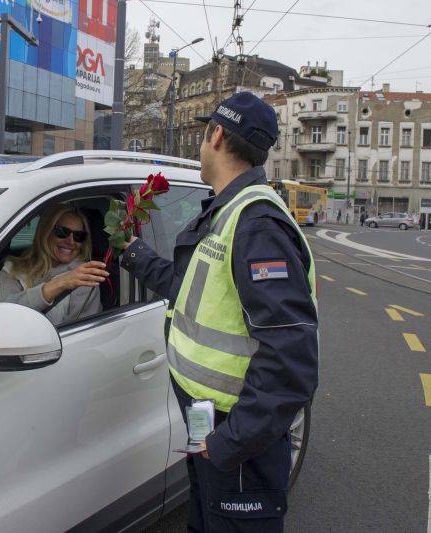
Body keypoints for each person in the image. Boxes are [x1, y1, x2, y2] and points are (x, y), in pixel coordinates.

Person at [121, 92, 318, 532]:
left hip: (235, 433)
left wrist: (229, 443)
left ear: (217, 134)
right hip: (206, 417)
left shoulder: (256, 225)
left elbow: (291, 359)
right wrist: (133, 254)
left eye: (206, 131)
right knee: (205, 521)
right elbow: (191, 289)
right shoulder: (225, 211)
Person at [0, 204, 109, 325]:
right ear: (45, 232)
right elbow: (1, 315)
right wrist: (59, 284)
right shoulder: (13, 269)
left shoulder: (84, 277)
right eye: (62, 232)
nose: (71, 241)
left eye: (78, 236)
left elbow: (80, 336)